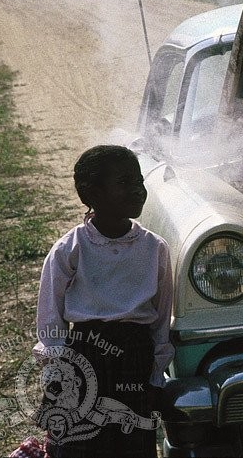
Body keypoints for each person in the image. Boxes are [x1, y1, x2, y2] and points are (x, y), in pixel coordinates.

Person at [33, 145, 173, 458]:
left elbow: (161, 323)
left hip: (133, 365)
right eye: (124, 183)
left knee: (131, 446)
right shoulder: (70, 249)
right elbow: (50, 321)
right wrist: (56, 374)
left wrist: (154, 378)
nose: (137, 190)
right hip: (83, 362)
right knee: (78, 446)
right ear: (91, 194)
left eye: (139, 181)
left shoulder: (155, 249)